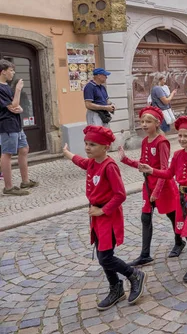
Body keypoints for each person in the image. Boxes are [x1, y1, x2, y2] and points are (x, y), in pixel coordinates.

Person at [63, 126, 146, 310]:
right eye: (86, 143)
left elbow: (120, 194)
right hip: (97, 218)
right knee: (103, 254)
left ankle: (134, 275)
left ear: (105, 147)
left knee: (105, 257)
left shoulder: (109, 167)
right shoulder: (92, 163)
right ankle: (115, 288)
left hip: (108, 217)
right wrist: (67, 152)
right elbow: (80, 161)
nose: (87, 147)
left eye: (92, 144)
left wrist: (103, 211)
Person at [139, 116, 187, 283]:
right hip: (182, 198)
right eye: (180, 136)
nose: (181, 139)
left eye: (186, 136)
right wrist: (152, 170)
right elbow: (168, 174)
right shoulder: (177, 155)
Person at [118, 107, 184, 266]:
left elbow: (164, 169)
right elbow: (143, 165)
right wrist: (126, 160)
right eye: (142, 121)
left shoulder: (162, 142)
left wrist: (157, 191)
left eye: (148, 121)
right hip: (148, 185)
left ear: (157, 123)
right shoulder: (145, 141)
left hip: (163, 186)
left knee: (173, 215)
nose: (144, 124)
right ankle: (145, 254)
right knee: (145, 218)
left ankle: (179, 241)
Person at [0, 59, 37, 196]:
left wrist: (19, 108)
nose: (13, 73)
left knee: (24, 148)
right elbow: (12, 105)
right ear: (3, 71)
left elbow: (14, 106)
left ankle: (25, 181)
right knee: (7, 153)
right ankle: (8, 187)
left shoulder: (6, 86)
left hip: (16, 124)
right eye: (11, 70)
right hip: (7, 125)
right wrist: (18, 89)